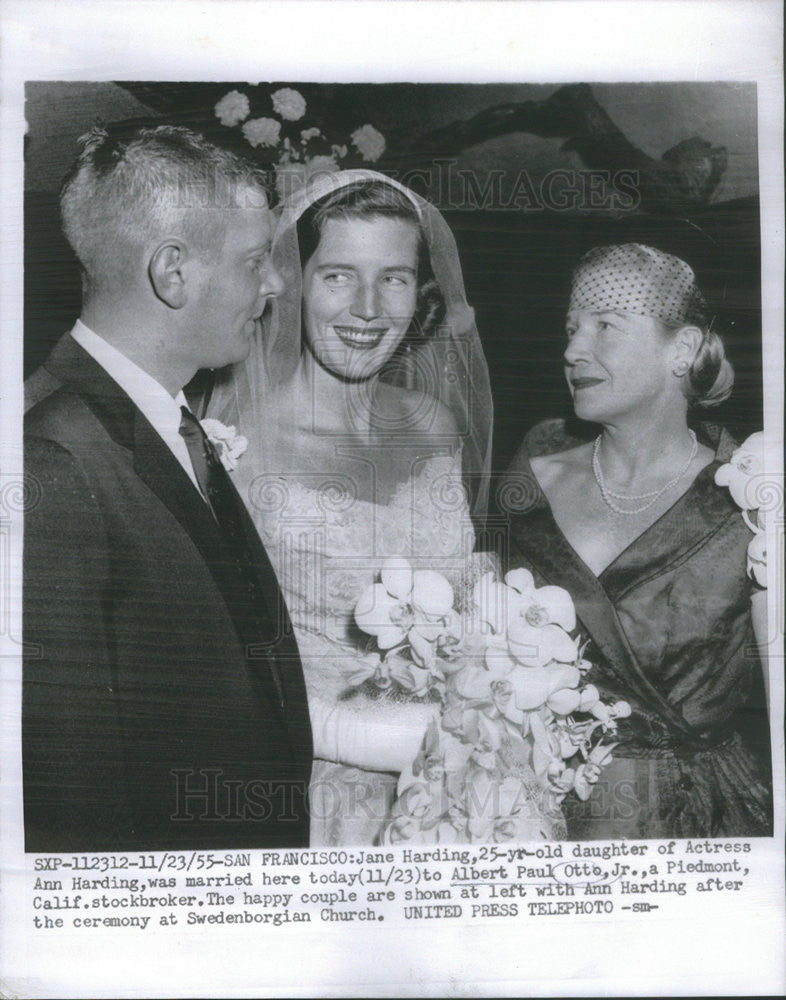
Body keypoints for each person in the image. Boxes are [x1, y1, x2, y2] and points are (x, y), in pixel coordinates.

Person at [23, 124, 313, 852]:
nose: (275, 284)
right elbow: (71, 786)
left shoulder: (162, 415)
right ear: (173, 273)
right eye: (254, 261)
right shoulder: (48, 456)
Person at [207, 170, 496, 845]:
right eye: (338, 275)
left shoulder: (433, 424)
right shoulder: (236, 443)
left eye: (393, 278)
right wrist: (345, 732)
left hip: (457, 785)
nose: (368, 308)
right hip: (313, 791)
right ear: (293, 281)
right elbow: (216, 658)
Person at [503, 243, 772, 839]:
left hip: (689, 822)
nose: (574, 350)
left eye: (606, 327)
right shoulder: (534, 467)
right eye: (571, 329)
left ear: (681, 349)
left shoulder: (749, 493)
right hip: (527, 810)